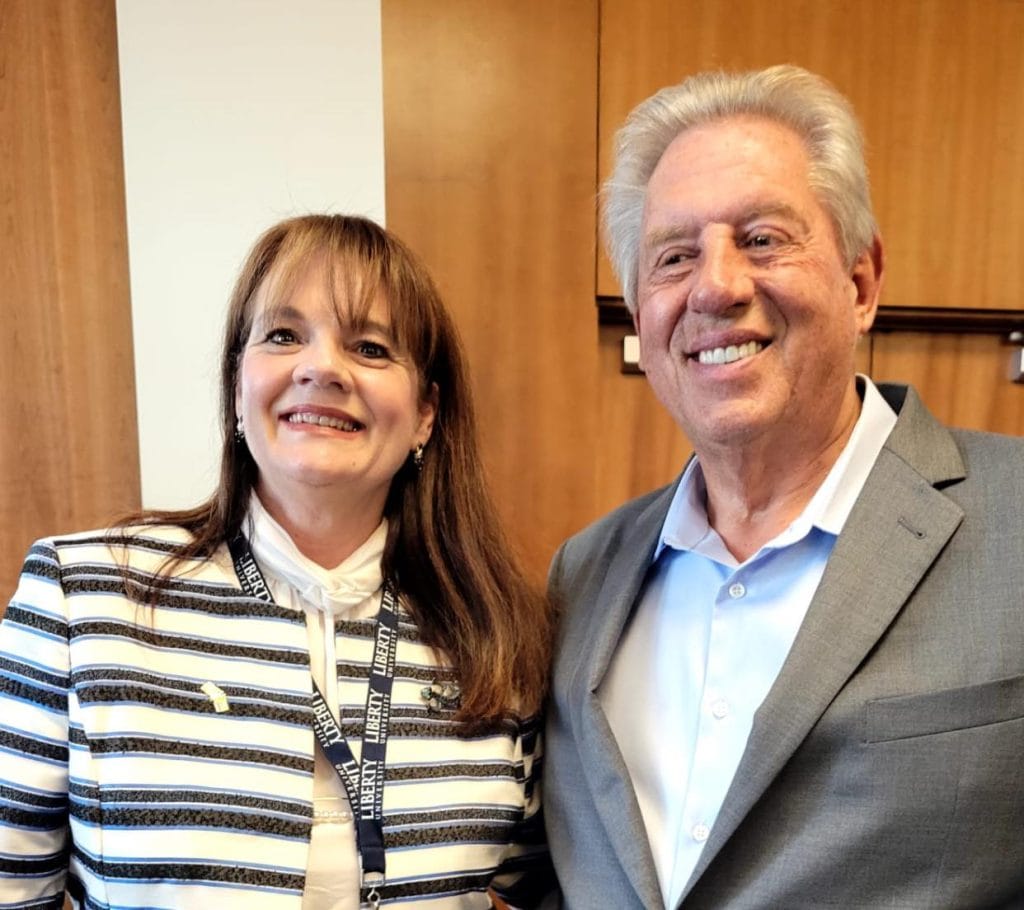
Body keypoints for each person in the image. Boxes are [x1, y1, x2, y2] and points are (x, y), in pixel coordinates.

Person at [544, 65, 1024, 909]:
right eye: (674, 256)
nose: (717, 286)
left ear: (862, 282)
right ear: (641, 316)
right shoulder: (580, 578)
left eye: (763, 238)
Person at [0, 214, 553, 909]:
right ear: (237, 388)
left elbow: (531, 891)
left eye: (372, 347)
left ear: (425, 414)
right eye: (283, 336)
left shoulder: (495, 633)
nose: (321, 367)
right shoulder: (83, 599)